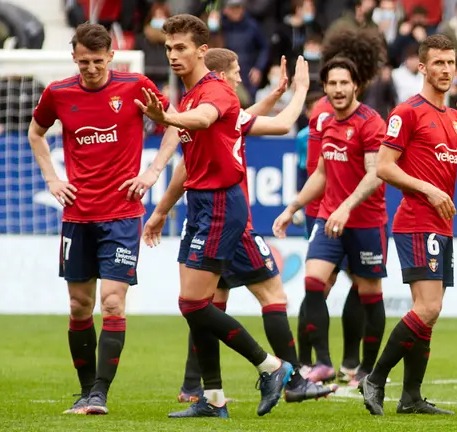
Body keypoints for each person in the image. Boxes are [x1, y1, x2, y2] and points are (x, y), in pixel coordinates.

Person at [147, 48, 337, 405]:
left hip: (210, 216)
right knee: (271, 297)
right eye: (234, 71)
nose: (238, 77)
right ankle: (289, 376)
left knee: (205, 303)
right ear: (219, 75)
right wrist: (299, 90)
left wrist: (279, 95)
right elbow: (275, 125)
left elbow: (249, 119)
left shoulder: (209, 108)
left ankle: (196, 387)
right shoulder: (208, 106)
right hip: (232, 222)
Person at [137, 14, 292, 419]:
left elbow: (204, 119)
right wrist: (160, 211)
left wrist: (166, 118)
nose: (173, 55)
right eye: (169, 48)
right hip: (200, 205)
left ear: (202, 51)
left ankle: (271, 366)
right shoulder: (188, 97)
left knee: (193, 304)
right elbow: (187, 165)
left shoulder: (216, 91)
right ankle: (214, 399)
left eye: (181, 47)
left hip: (223, 203)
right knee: (196, 303)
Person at [28, 23, 180, 416]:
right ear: (73, 58)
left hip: (123, 215)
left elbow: (173, 126)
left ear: (111, 56)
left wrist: (152, 172)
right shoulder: (59, 93)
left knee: (113, 303)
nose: (91, 68)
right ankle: (84, 392)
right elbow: (36, 132)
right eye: (84, 62)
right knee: (80, 306)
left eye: (98, 61)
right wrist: (51, 177)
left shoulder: (134, 86)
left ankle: (99, 394)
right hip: (78, 216)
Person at [359, 34, 457, 416]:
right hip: (415, 222)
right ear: (423, 67)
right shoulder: (406, 112)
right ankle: (375, 379)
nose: (445, 70)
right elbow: (386, 167)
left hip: (441, 227)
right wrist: (428, 188)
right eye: (438, 63)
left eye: (451, 63)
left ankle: (411, 397)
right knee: (427, 308)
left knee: (430, 311)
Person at [273, 54, 389, 388]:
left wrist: (346, 207)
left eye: (344, 83)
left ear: (356, 86)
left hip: (366, 220)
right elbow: (322, 173)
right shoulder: (323, 121)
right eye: (332, 84)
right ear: (325, 88)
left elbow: (374, 175)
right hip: (330, 219)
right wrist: (291, 206)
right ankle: (322, 363)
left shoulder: (370, 123)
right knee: (313, 283)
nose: (338, 90)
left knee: (369, 292)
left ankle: (367, 370)